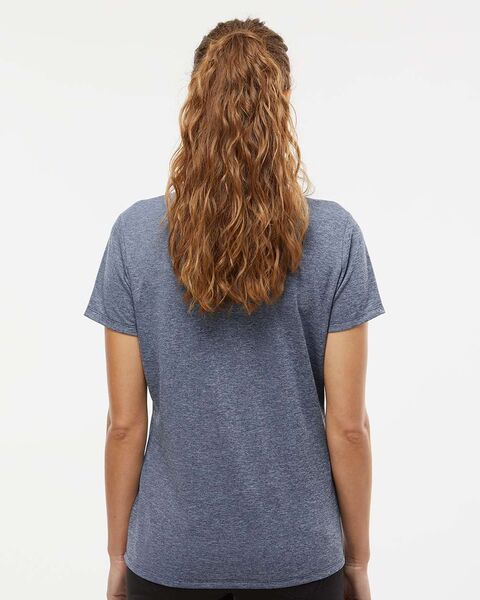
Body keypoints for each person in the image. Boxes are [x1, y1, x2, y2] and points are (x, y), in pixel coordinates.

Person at [84, 17, 386, 600]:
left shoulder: (134, 235)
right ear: (284, 104)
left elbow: (124, 426)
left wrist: (118, 557)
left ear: (195, 100)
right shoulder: (335, 237)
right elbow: (349, 427)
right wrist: (357, 561)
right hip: (300, 560)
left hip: (169, 558)